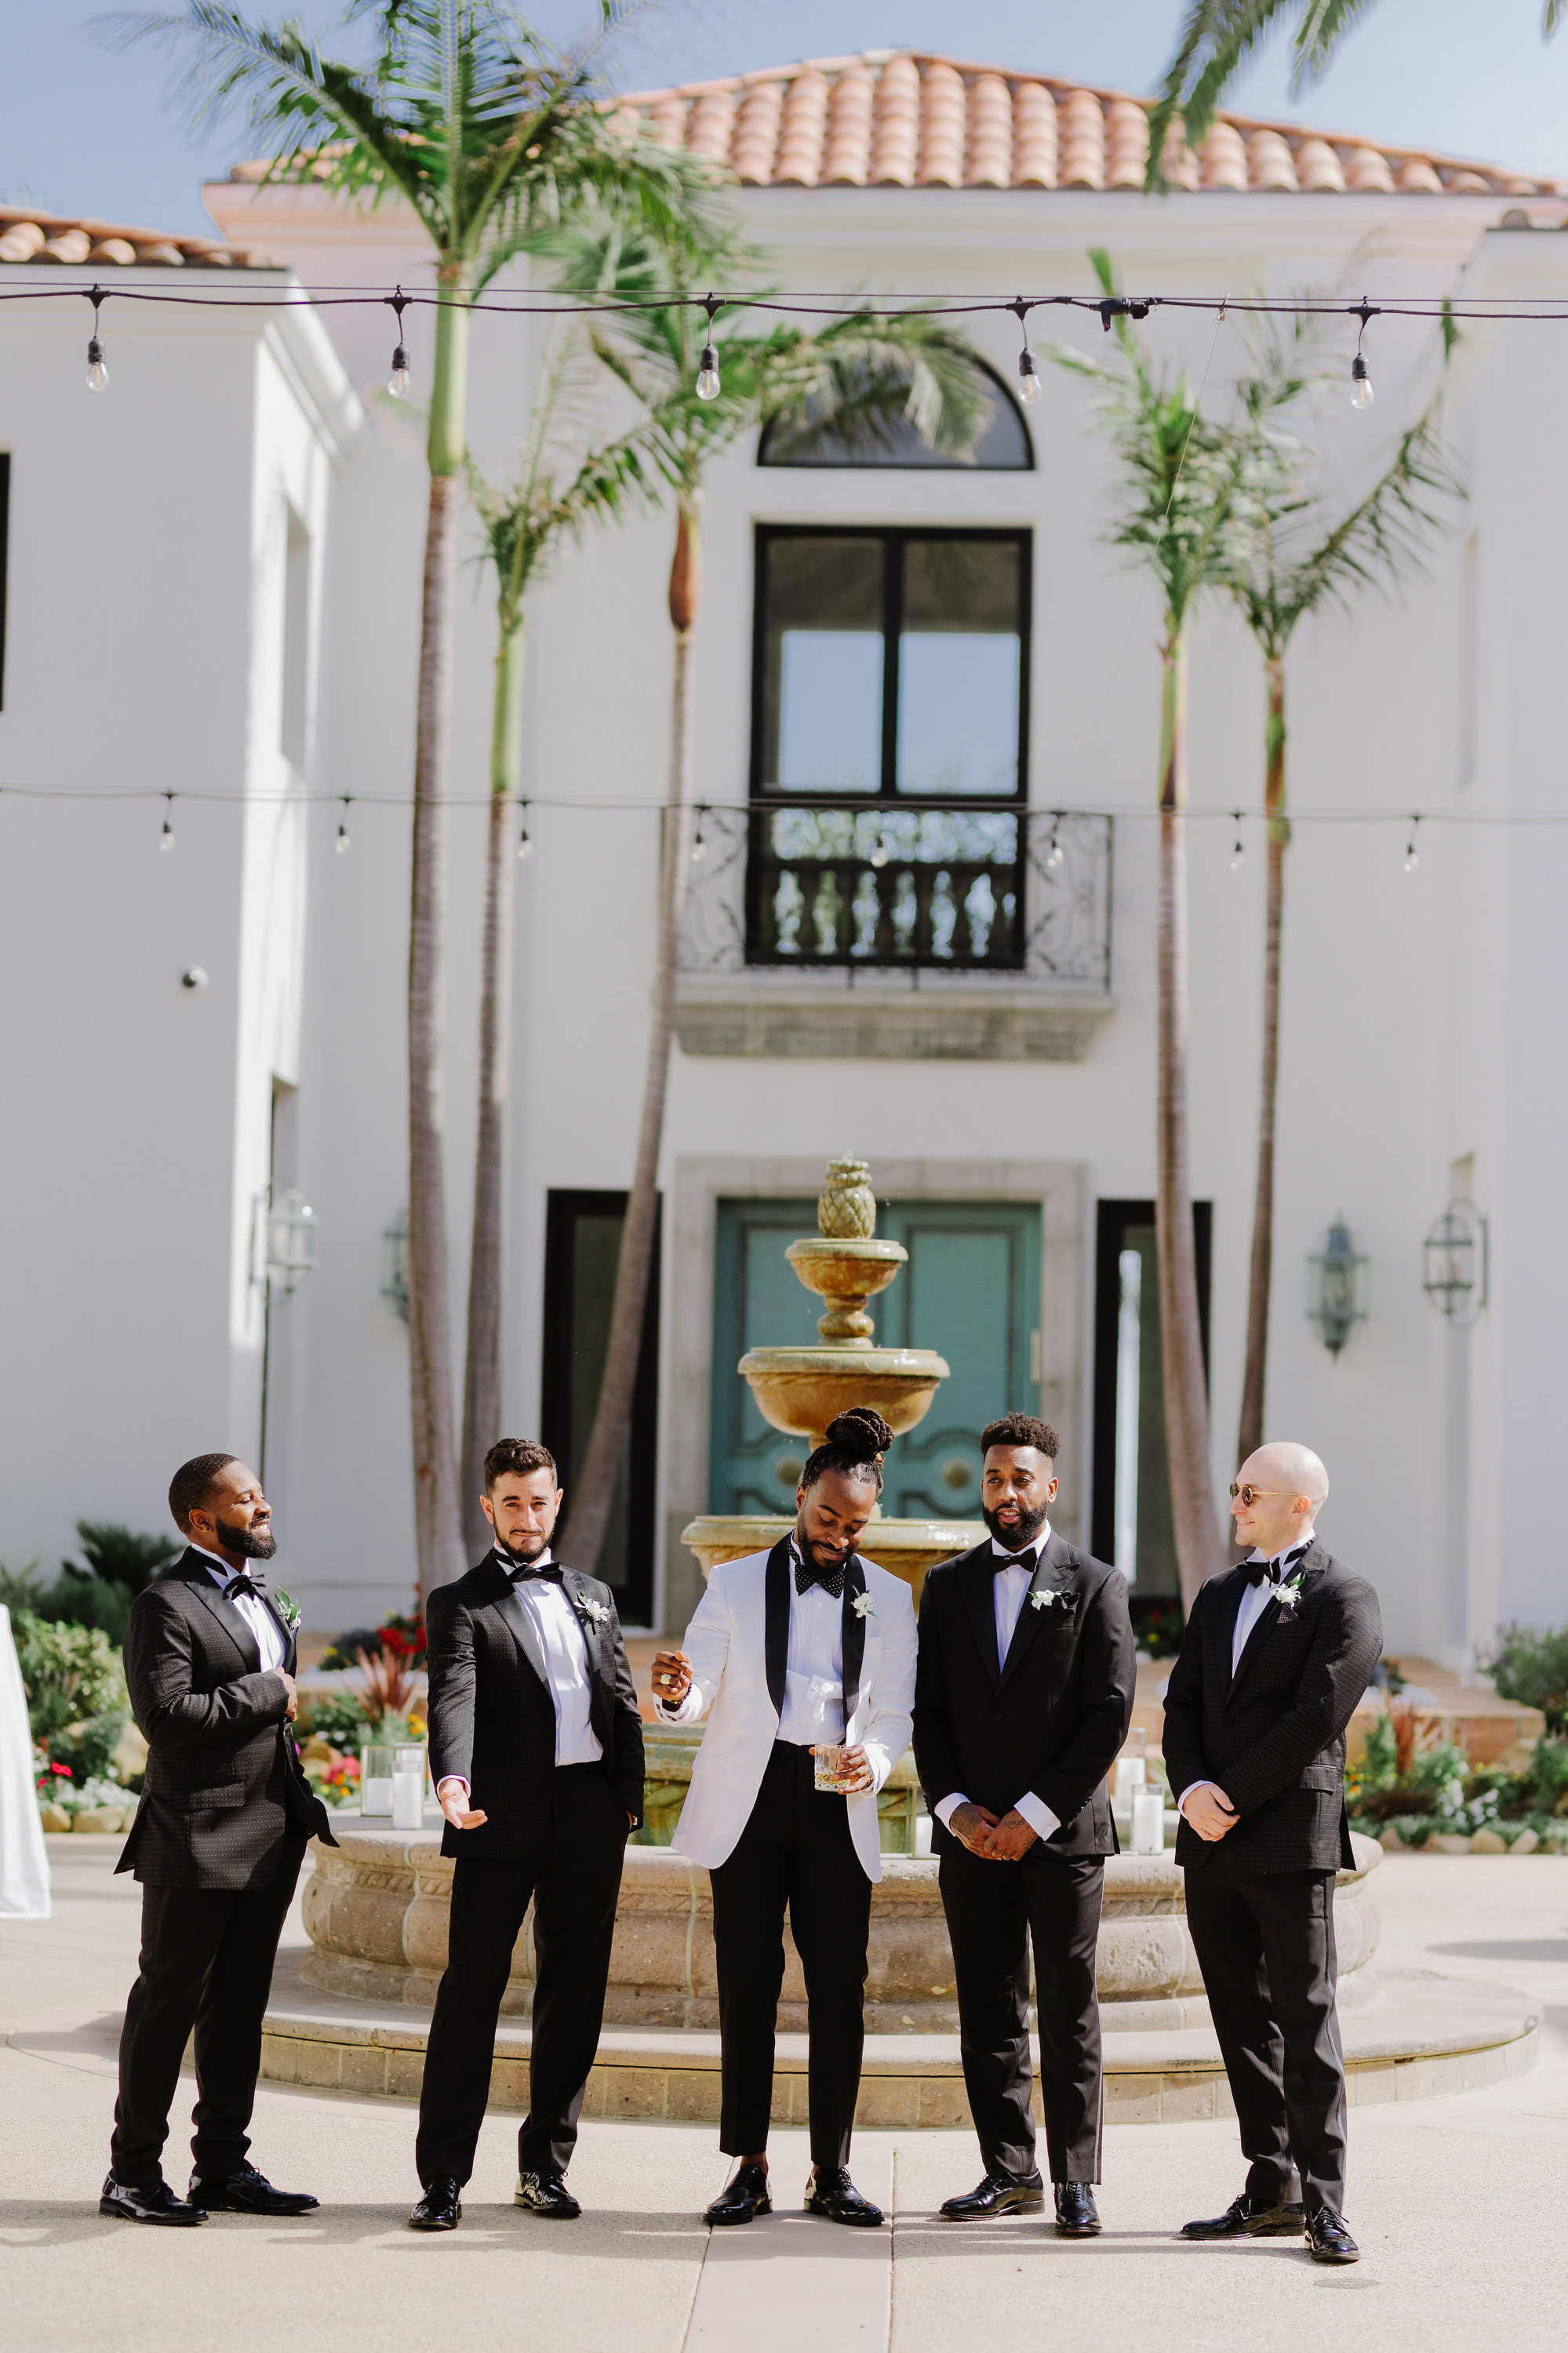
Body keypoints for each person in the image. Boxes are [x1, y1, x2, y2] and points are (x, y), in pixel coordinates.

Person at [650, 1408, 917, 2230]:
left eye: (855, 1523)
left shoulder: (892, 1598)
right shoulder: (731, 1583)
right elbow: (698, 1689)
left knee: (840, 1988)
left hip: (838, 1798)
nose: (839, 1534)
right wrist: (673, 1693)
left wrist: (868, 1761)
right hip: (752, 1799)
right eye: (827, 1515)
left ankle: (831, 2169)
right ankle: (748, 2165)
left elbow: (896, 1713)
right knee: (747, 1983)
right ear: (801, 1495)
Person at [409, 1438, 644, 2232]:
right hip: (494, 1815)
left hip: (588, 1815)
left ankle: (545, 2168)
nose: (526, 1515)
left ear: (557, 1500)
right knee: (470, 1992)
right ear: (489, 1506)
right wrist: (451, 1777)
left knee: (572, 1999)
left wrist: (628, 1801)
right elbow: (454, 1694)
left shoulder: (593, 1594)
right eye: (511, 1501)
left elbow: (620, 1696)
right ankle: (442, 2177)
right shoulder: (459, 1601)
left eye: (538, 1500)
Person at [914, 1413, 1135, 2238]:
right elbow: (927, 1714)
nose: (1005, 1493)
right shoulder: (946, 1585)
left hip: (1063, 1836)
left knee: (1068, 2007)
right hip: (972, 1839)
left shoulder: (1098, 1585)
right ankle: (1007, 2172)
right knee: (987, 2007)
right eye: (993, 1479)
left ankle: (1077, 2181)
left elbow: (1107, 1716)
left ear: (1049, 1487)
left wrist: (1033, 1816)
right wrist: (958, 1811)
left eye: (1020, 1480)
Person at [1162, 1442, 1382, 2267]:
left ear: (1299, 1503)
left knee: (1305, 2018)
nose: (1234, 1503)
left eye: (1248, 1491)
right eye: (1232, 1489)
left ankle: (1325, 2203)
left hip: (1287, 1836)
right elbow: (1181, 1700)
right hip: (1209, 1839)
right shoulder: (1219, 1593)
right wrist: (1190, 1792)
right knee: (1240, 2020)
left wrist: (1231, 1795)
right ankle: (1270, 2186)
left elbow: (1317, 1712)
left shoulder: (1344, 1595)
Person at [104, 1454, 334, 2227]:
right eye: (247, 1499)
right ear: (202, 1519)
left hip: (270, 1828)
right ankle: (132, 2175)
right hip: (196, 1831)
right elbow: (164, 1718)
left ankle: (223, 2168)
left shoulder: (262, 1600)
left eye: (263, 1495)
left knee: (238, 2008)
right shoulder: (163, 1604)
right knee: (168, 2004)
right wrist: (268, 1691)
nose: (263, 1507)